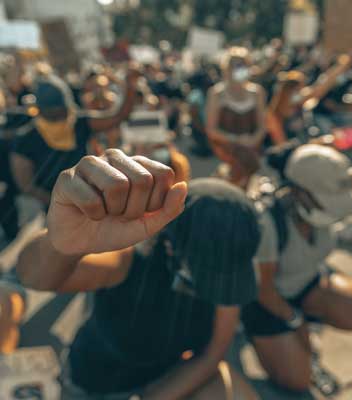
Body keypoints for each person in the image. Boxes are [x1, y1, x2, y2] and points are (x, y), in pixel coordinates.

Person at [16, 149, 261, 400]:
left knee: (224, 388)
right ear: (170, 246)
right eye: (210, 270)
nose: (220, 284)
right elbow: (36, 277)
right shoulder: (130, 262)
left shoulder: (233, 272)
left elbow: (212, 354)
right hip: (94, 386)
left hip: (161, 381)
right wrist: (63, 244)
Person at [242, 144, 352, 392]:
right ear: (298, 191)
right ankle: (256, 334)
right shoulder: (268, 222)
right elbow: (265, 292)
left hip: (308, 282)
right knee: (297, 381)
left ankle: (306, 325)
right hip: (267, 302)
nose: (334, 211)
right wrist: (297, 323)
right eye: (327, 202)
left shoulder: (317, 213)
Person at [10, 66, 139, 208]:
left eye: (61, 111)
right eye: (52, 113)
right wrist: (61, 201)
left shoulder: (78, 122)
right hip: (57, 208)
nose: (58, 116)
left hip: (92, 199)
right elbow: (26, 185)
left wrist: (130, 86)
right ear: (39, 110)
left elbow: (118, 117)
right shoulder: (25, 139)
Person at [206, 47, 266, 188]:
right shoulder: (217, 93)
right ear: (226, 69)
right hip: (226, 147)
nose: (238, 70)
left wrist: (252, 141)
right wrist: (236, 141)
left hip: (251, 147)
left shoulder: (257, 92)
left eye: (242, 66)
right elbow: (211, 129)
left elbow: (262, 126)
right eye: (234, 66)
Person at [266, 54, 352, 145]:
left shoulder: (286, 105)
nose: (303, 90)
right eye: (300, 88)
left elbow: (321, 86)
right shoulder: (287, 105)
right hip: (294, 149)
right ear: (292, 89)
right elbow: (320, 87)